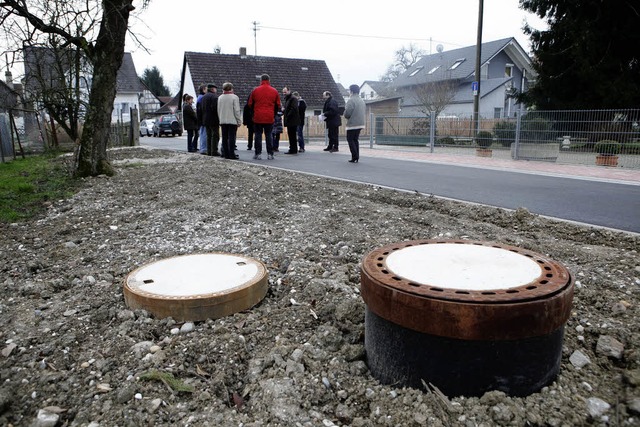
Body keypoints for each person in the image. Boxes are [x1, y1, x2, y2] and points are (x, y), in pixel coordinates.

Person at [248, 74, 281, 160]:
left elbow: (250, 104)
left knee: (258, 135)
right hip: (269, 116)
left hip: (258, 116)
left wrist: (253, 113)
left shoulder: (255, 91)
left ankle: (258, 153)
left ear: (261, 80)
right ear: (269, 80)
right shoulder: (274, 91)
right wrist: (273, 113)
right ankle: (270, 154)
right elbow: (278, 105)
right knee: (269, 135)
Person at [217, 82, 242, 160]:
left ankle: (225, 153)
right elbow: (237, 110)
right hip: (232, 120)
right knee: (232, 137)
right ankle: (232, 153)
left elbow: (218, 109)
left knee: (224, 137)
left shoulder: (220, 97)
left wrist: (220, 119)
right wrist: (239, 121)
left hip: (223, 120)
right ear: (231, 88)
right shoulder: (234, 97)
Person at [344, 84, 366, 163]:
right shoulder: (361, 100)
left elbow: (347, 113)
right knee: (355, 139)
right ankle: (357, 156)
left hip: (353, 123)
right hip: (361, 123)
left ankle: (354, 156)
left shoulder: (351, 100)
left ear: (352, 91)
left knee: (350, 139)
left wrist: (345, 114)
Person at [201, 83, 220, 156]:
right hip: (213, 119)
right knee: (215, 135)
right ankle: (214, 151)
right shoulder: (214, 97)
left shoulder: (204, 97)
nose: (216, 90)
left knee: (208, 136)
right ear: (212, 89)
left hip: (205, 119)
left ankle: (209, 151)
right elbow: (215, 108)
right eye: (215, 89)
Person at [282, 86, 299, 154]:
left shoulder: (293, 99)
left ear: (289, 91)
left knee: (292, 135)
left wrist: (288, 115)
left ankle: (293, 149)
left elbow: (293, 109)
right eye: (283, 92)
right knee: (291, 135)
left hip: (292, 120)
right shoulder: (288, 99)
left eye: (285, 92)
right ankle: (292, 148)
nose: (284, 93)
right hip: (290, 120)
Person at [196, 84, 208, 154]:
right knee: (204, 134)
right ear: (203, 89)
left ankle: (202, 148)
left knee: (202, 133)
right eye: (206, 89)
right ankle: (203, 148)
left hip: (200, 119)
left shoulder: (199, 97)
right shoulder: (202, 98)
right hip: (203, 119)